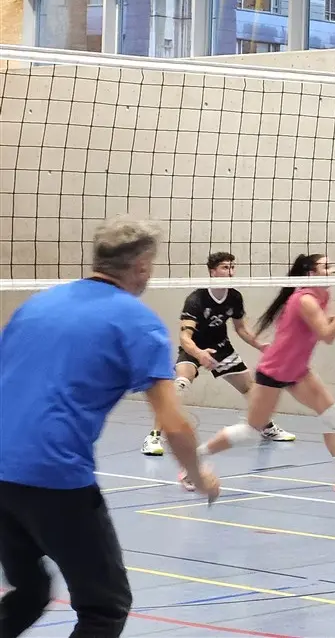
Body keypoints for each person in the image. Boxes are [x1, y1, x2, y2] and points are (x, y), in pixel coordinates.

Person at [0, 216, 219, 638]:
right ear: (142, 267)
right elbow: (173, 423)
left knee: (29, 591)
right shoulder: (138, 322)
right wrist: (198, 476)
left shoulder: (37, 304)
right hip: (54, 476)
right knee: (105, 606)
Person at [187, 254, 335, 493]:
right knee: (250, 431)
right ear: (310, 273)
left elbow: (315, 325)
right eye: (326, 267)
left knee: (334, 414)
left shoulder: (320, 295)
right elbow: (327, 335)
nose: (333, 270)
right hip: (275, 370)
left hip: (297, 369)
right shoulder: (305, 299)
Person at [143, 251, 295, 456]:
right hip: (194, 348)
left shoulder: (234, 296)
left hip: (222, 348)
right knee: (179, 385)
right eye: (225, 267)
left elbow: (241, 329)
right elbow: (184, 338)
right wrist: (199, 354)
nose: (230, 272)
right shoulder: (196, 299)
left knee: (251, 388)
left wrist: (259, 345)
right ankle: (153, 437)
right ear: (213, 271)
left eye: (232, 267)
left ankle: (266, 427)